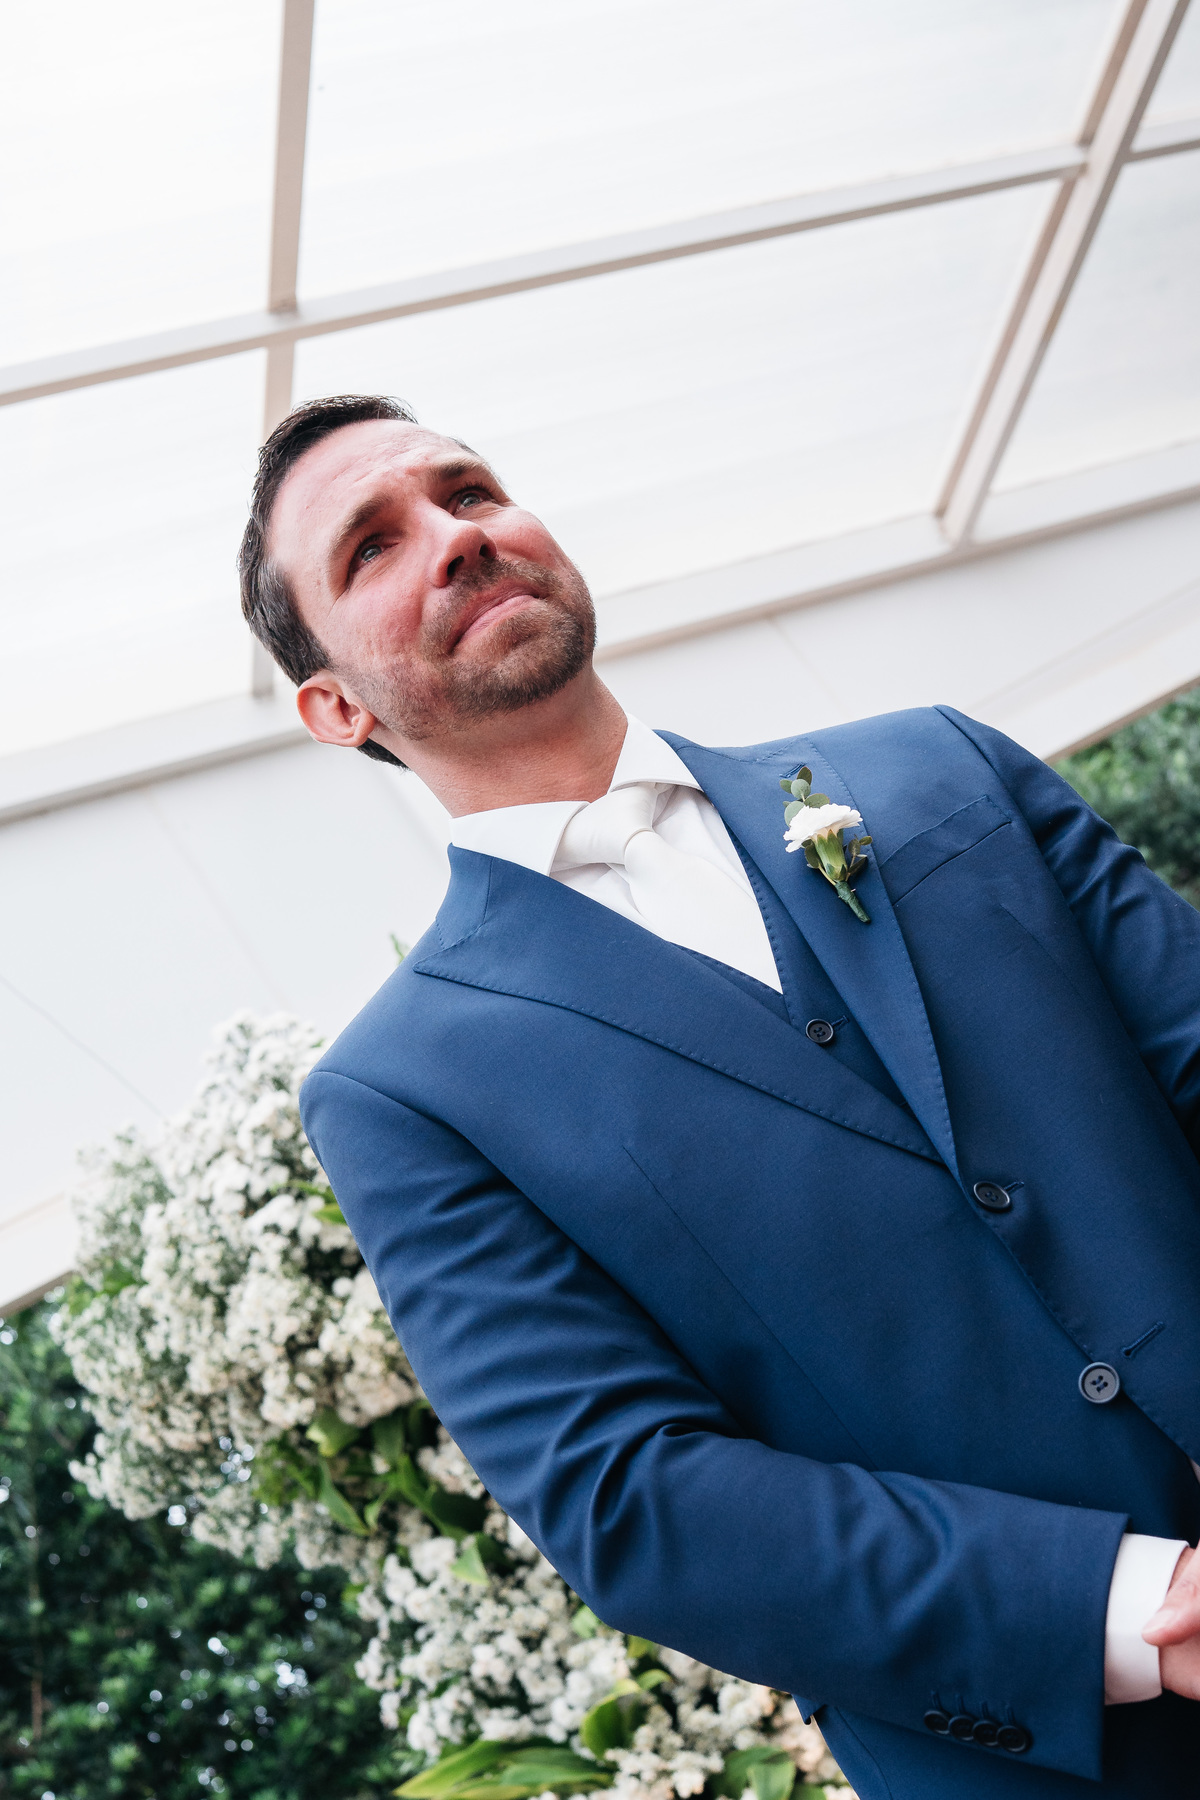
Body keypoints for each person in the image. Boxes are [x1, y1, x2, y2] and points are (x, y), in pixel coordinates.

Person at [239, 394, 1200, 1798]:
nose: (456, 536)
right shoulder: (404, 1091)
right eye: (372, 547)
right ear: (335, 706)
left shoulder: (938, 765)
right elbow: (632, 1495)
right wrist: (1145, 1610)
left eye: (470, 491)